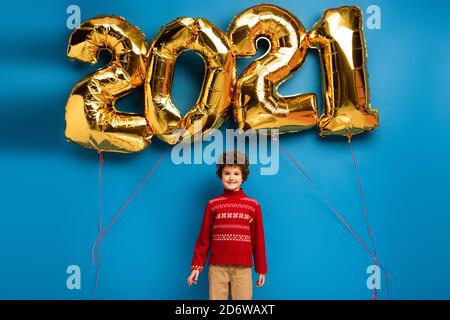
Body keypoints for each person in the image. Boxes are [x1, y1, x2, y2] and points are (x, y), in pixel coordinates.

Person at [187, 150, 267, 300]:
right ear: (220, 175)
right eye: (227, 173)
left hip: (243, 269)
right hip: (217, 268)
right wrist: (196, 266)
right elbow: (204, 239)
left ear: (243, 177)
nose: (231, 178)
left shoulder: (252, 205)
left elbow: (258, 240)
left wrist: (261, 269)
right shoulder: (213, 205)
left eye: (236, 173)